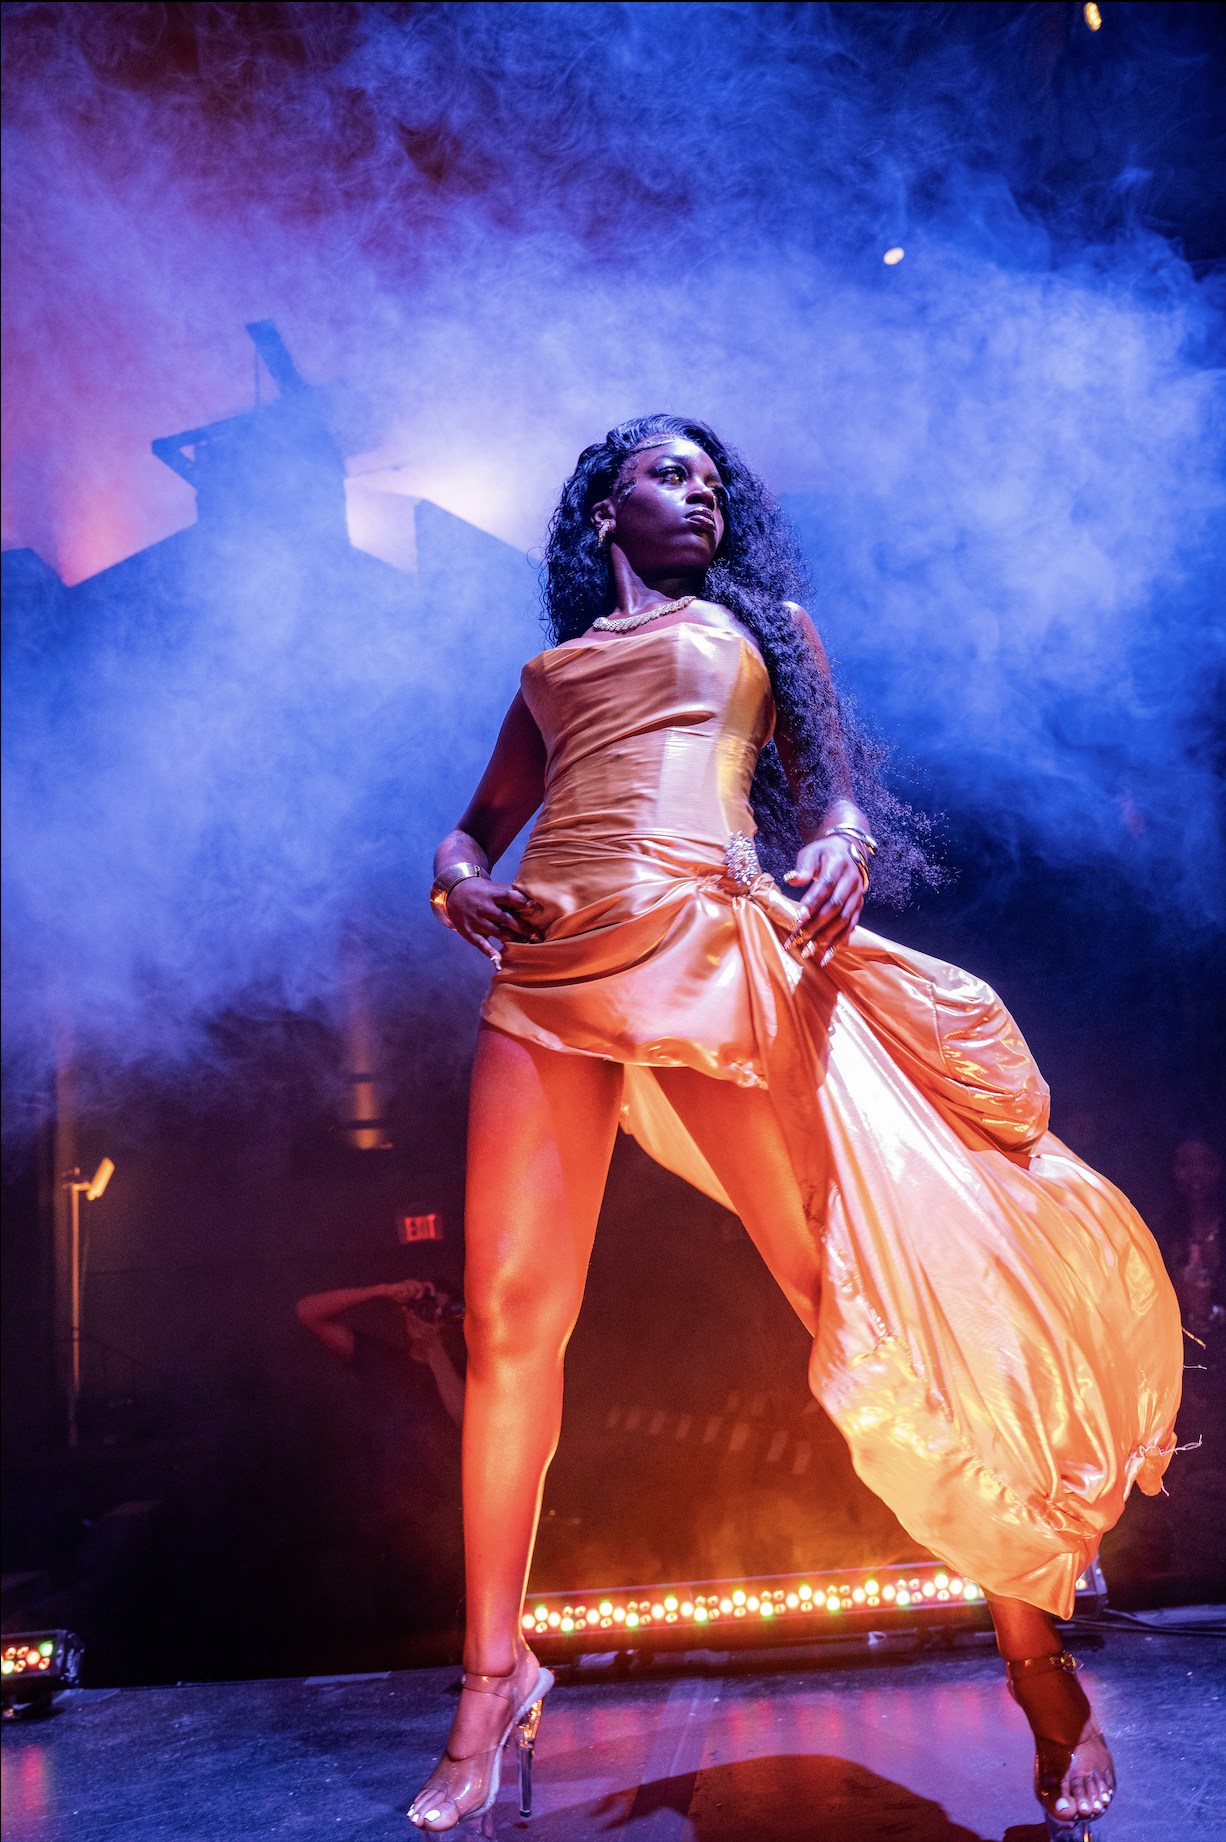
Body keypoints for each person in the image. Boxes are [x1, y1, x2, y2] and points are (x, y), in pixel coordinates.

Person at [407, 417, 1182, 1839]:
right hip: (547, 971)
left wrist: (840, 839)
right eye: (668, 474)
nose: (699, 493)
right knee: (510, 1321)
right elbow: (472, 831)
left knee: (849, 1297)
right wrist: (456, 880)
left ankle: (1030, 1645)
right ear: (601, 513)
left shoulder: (761, 628)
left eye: (712, 481)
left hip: (703, 946)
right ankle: (491, 1678)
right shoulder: (548, 674)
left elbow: (827, 792)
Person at [1158, 1137, 1224, 1338]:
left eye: (1207, 1162)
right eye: (1185, 1164)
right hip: (1180, 1348)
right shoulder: (1160, 1232)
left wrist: (1212, 1313)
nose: (1196, 1172)